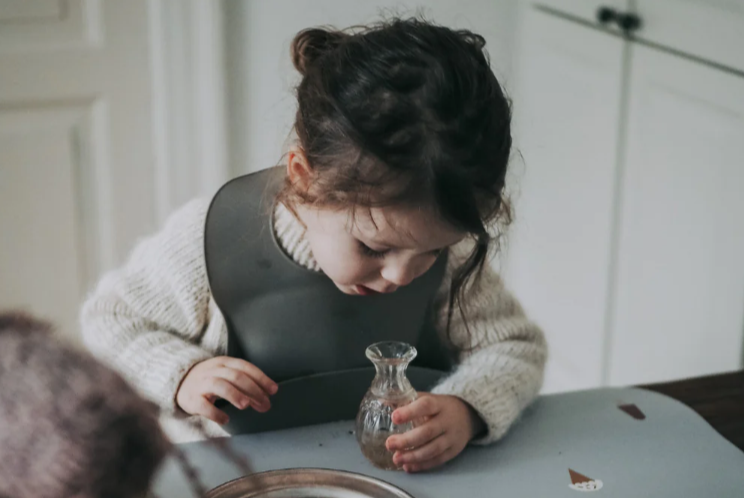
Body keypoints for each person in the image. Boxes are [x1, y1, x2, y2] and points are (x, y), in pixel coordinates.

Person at [81, 17, 547, 473]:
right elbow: (111, 321)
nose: (402, 277)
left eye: (432, 251)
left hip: (393, 488)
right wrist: (180, 373)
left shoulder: (440, 244)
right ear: (304, 178)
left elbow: (513, 347)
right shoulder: (207, 237)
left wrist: (466, 408)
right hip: (230, 486)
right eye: (373, 247)